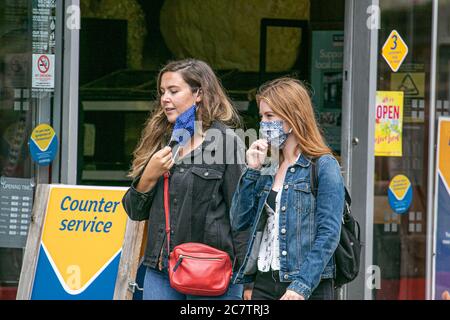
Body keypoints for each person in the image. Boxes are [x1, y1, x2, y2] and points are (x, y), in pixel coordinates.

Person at [122, 59, 248, 300]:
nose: (164, 99)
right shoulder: (161, 139)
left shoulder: (227, 143)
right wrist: (148, 175)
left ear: (198, 93)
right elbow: (134, 211)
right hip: (161, 271)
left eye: (173, 91)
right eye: (162, 92)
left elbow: (242, 216)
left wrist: (247, 277)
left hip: (212, 270)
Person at [230, 77, 345, 300]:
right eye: (262, 117)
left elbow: (329, 234)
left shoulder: (322, 165)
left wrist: (300, 287)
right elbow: (238, 221)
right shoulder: (267, 168)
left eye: (270, 116)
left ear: (292, 118)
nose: (263, 123)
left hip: (306, 283)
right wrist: (251, 170)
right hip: (264, 280)